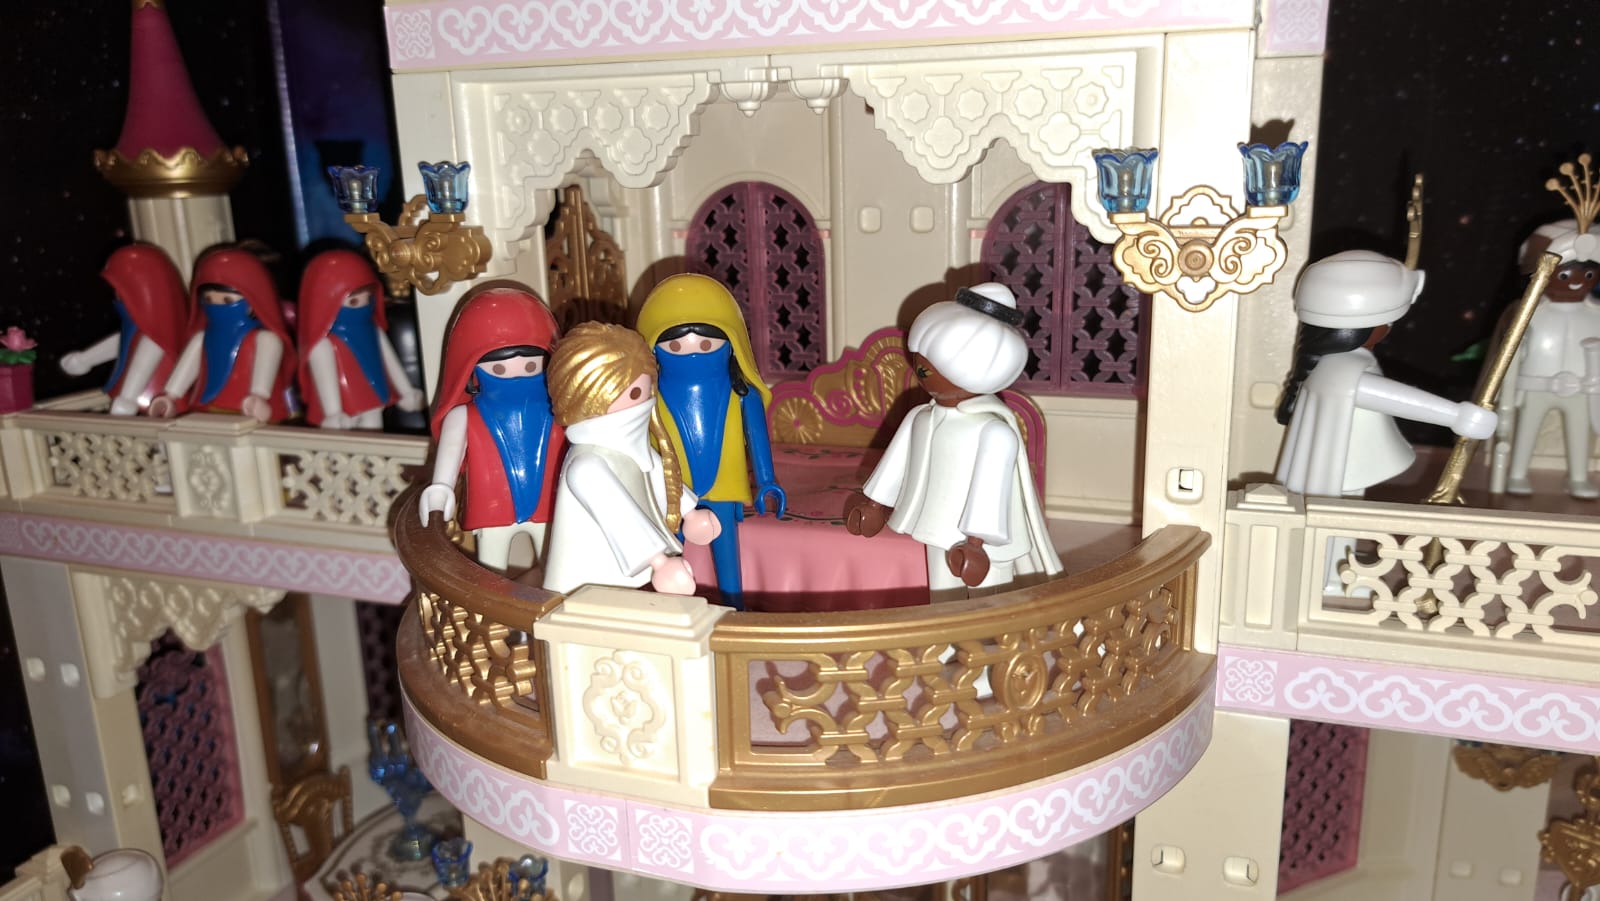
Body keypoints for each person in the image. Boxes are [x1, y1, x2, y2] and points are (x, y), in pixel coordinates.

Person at [845, 283, 1062, 599]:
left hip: (987, 543)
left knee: (991, 598)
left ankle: (996, 628)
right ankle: (944, 632)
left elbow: (991, 491)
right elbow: (895, 463)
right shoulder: (921, 417)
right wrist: (875, 503)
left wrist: (976, 541)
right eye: (920, 362)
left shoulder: (993, 431)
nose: (919, 371)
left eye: (927, 366)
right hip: (935, 525)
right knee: (943, 596)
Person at [1275, 250, 1498, 497]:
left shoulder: (1327, 366)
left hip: (1337, 468)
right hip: (1336, 477)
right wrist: (1455, 415)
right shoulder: (1342, 367)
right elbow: (1373, 392)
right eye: (1389, 321)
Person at [636, 274, 784, 610]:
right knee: (669, 556)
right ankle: (668, 612)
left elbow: (757, 438)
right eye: (674, 345)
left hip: (723, 488)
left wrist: (766, 479)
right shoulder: (648, 397)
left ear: (732, 342)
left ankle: (734, 608)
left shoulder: (741, 394)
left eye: (706, 344)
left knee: (727, 558)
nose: (690, 352)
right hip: (671, 491)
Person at [542, 322, 720, 595]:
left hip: (628, 583)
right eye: (633, 393)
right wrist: (658, 561)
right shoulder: (586, 466)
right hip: (586, 585)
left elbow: (656, 472)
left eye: (642, 390)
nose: (642, 401)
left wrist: (689, 512)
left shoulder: (630, 446)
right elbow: (620, 518)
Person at [418, 284, 565, 573]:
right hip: (492, 507)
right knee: (491, 574)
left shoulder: (560, 408)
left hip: (550, 503)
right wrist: (441, 488)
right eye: (499, 368)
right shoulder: (464, 416)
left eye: (531, 365)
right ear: (470, 369)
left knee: (555, 571)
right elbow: (449, 459)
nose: (517, 374)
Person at [1501, 219, 1600, 497]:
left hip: (1579, 388)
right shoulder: (1529, 313)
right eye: (1565, 275)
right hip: (1538, 385)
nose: (1577, 281)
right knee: (1527, 431)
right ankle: (1517, 473)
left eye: (1588, 274)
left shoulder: (1595, 316)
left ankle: (1578, 477)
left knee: (1580, 434)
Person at [150, 247, 296, 423]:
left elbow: (263, 380)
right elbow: (185, 373)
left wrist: (259, 397)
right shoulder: (202, 339)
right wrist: (170, 397)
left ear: (253, 301)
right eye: (208, 300)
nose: (216, 306)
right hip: (204, 411)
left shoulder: (265, 340)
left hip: (248, 414)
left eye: (227, 300)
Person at [296, 249, 424, 429]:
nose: (363, 305)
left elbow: (389, 360)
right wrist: (333, 412)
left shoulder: (373, 329)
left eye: (368, 298)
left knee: (373, 428)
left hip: (373, 397)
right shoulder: (324, 344)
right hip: (343, 409)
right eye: (353, 301)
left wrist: (406, 391)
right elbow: (324, 375)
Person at [60, 243, 191, 415]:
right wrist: (86, 359)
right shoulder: (138, 324)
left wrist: (128, 397)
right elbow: (124, 344)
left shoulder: (158, 331)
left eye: (123, 290)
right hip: (139, 403)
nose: (118, 296)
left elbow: (147, 356)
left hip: (157, 403)